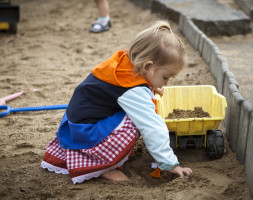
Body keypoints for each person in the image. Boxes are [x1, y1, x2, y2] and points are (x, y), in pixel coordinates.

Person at [41, 21, 192, 184]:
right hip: (86, 137)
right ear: (148, 66)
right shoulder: (133, 90)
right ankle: (102, 167)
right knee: (137, 122)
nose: (166, 83)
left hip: (75, 127)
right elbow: (152, 127)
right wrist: (170, 163)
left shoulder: (125, 64)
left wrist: (149, 87)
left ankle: (103, 160)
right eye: (165, 77)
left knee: (137, 111)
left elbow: (120, 92)